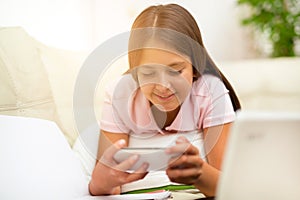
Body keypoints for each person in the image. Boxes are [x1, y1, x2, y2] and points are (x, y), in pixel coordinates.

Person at [89, 3, 241, 197]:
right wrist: (101, 183)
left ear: (195, 66)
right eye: (148, 72)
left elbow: (230, 187)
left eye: (175, 71)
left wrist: (199, 173)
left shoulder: (210, 92)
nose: (163, 85)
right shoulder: (121, 94)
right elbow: (106, 184)